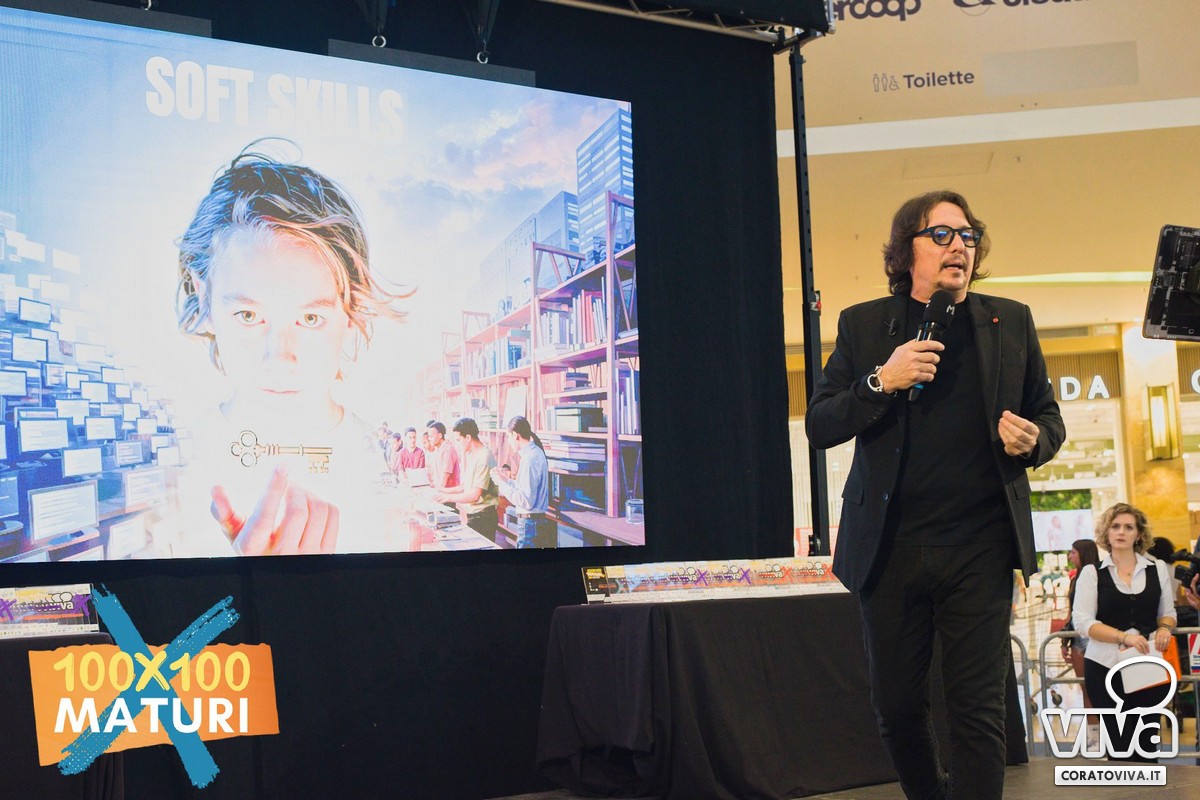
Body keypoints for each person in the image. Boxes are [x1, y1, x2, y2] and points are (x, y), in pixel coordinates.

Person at [806, 190, 1064, 800]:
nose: (959, 246)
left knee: (978, 707)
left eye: (968, 235)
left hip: (979, 545)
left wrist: (1035, 440)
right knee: (897, 706)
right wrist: (882, 380)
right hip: (889, 548)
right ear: (907, 251)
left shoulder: (1010, 320)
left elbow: (1048, 418)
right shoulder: (864, 324)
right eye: (942, 235)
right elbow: (821, 424)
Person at [175, 141, 410, 556]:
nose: (280, 359)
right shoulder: (174, 472)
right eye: (248, 315)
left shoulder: (384, 467)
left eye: (311, 319)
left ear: (350, 310)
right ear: (204, 296)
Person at [1072, 503, 1175, 762]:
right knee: (1118, 746)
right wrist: (1124, 637)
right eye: (1115, 526)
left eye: (1129, 527)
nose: (1121, 532)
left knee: (1147, 743)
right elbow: (1083, 622)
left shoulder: (1156, 568)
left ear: (1138, 534)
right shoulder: (1092, 573)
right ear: (1106, 533)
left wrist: (1165, 627)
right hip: (1103, 666)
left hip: (1147, 666)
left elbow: (1168, 611)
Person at [1059, 538, 1101, 747]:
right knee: (1086, 689)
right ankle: (1094, 735)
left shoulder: (1099, 576)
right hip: (1078, 638)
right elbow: (1071, 613)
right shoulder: (1075, 579)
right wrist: (1065, 640)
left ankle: (1103, 734)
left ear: (1083, 554)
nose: (1070, 556)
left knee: (1098, 690)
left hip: (1096, 637)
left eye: (1073, 552)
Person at [434, 418, 498, 540]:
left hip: (484, 518)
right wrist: (442, 491)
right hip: (475, 516)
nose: (457, 444)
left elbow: (474, 495)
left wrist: (448, 498)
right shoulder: (473, 455)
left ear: (468, 438)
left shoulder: (484, 457)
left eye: (458, 440)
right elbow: (464, 486)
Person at [491, 416, 550, 548]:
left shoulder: (529, 459)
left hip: (530, 525)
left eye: (508, 437)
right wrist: (505, 480)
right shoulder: (534, 453)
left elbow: (525, 500)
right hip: (534, 523)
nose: (508, 442)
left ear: (515, 435)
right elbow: (523, 488)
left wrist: (500, 484)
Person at [425, 420, 460, 490]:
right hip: (439, 491)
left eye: (431, 436)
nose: (429, 439)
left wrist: (437, 492)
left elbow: (444, 478)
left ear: (440, 435)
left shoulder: (448, 450)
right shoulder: (437, 450)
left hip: (448, 493)